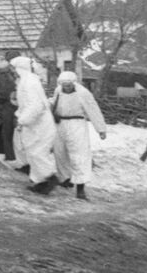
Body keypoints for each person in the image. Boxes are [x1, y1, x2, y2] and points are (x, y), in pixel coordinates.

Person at [50, 71, 107, 200]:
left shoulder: (83, 93)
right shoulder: (58, 90)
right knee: (60, 152)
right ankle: (65, 179)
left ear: (74, 83)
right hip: (60, 124)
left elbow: (93, 109)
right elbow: (54, 103)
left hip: (77, 124)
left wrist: (101, 129)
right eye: (64, 85)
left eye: (69, 85)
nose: (67, 87)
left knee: (79, 155)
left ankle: (80, 187)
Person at [10, 56, 58, 194]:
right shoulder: (25, 81)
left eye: (14, 68)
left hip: (40, 124)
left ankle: (49, 178)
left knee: (38, 152)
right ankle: (40, 182)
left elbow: (36, 105)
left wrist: (22, 120)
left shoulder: (29, 82)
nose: (12, 71)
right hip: (34, 124)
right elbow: (28, 103)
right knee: (32, 152)